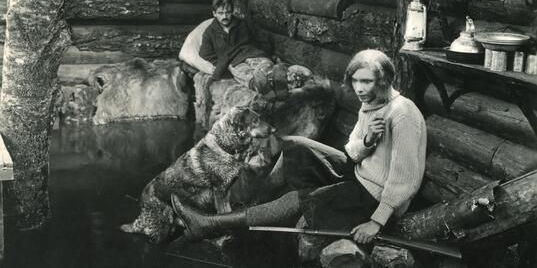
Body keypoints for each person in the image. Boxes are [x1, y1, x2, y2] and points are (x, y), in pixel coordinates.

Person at [171, 49, 427, 245]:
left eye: (367, 82)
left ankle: (209, 225)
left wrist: (376, 221)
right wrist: (369, 142)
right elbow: (352, 149)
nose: (359, 88)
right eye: (356, 81)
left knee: (299, 200)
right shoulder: (371, 102)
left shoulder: (402, 114)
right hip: (359, 172)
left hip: (377, 195)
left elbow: (406, 179)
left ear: (383, 81)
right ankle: (251, 209)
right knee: (296, 146)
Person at [199, 0, 289, 100]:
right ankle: (264, 86)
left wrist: (265, 53)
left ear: (232, 11)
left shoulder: (243, 24)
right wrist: (220, 63)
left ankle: (277, 82)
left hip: (252, 53)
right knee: (244, 73)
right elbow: (205, 53)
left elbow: (263, 38)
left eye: (228, 12)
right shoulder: (209, 32)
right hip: (235, 60)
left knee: (264, 65)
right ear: (214, 13)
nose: (224, 16)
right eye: (220, 13)